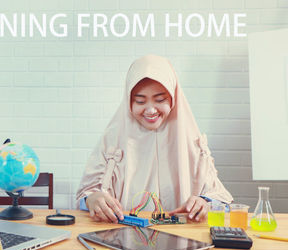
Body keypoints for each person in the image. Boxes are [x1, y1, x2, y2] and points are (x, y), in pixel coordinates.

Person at [76, 54, 233, 223]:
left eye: (160, 100)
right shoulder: (113, 140)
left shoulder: (192, 142)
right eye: (140, 101)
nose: (150, 110)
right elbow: (83, 198)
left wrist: (205, 202)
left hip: (183, 240)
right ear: (129, 101)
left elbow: (223, 201)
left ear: (173, 98)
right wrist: (92, 199)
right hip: (122, 236)